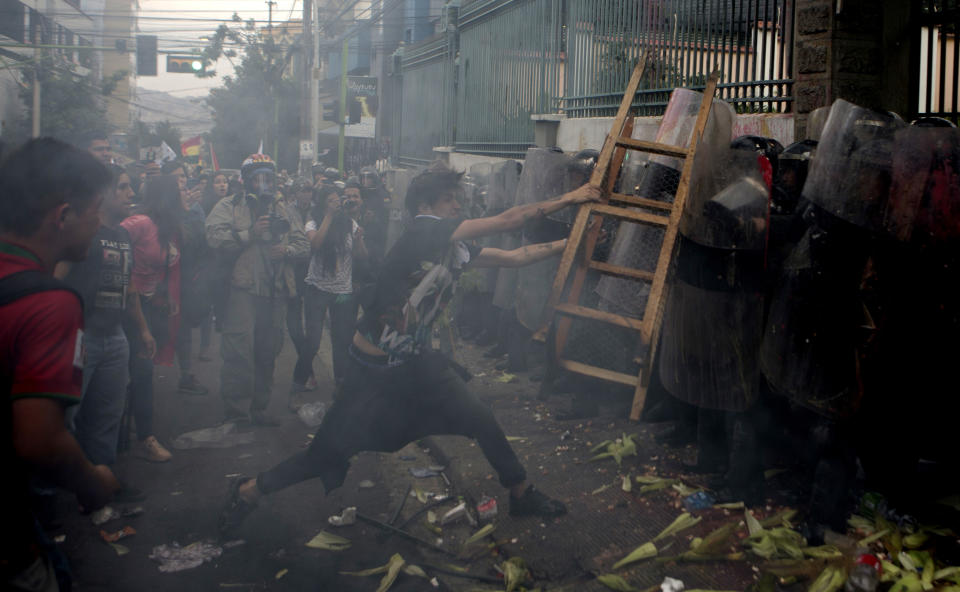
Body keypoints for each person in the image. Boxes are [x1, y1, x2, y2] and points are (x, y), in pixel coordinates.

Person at [219, 162, 601, 532]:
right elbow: (509, 220)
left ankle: (520, 492)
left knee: (480, 417)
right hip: (371, 374)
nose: (457, 206)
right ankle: (249, 489)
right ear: (425, 206)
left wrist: (569, 243)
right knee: (326, 455)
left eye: (458, 199)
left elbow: (516, 257)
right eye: (449, 200)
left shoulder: (451, 246)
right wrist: (574, 197)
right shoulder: (422, 231)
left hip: (416, 364)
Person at [1, 138, 120, 590]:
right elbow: (39, 438)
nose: (101, 223)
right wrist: (92, 482)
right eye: (96, 210)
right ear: (64, 215)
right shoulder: (50, 304)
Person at [57, 165, 154, 501]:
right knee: (63, 421)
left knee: (107, 419)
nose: (131, 194)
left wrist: (142, 329)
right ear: (104, 194)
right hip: (79, 340)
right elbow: (56, 276)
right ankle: (47, 500)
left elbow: (129, 289)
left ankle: (101, 485)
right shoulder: (85, 230)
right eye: (124, 188)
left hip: (115, 339)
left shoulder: (125, 235)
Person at [205, 154, 309, 425]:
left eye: (268, 178)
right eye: (257, 178)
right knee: (238, 352)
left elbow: (304, 243)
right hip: (243, 290)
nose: (263, 183)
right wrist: (250, 233)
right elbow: (214, 238)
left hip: (275, 292)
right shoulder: (230, 205)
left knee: (268, 350)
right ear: (246, 181)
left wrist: (287, 250)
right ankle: (237, 412)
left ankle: (259, 408)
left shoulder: (284, 208)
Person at [120, 175, 183, 463]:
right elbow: (112, 248)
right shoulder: (139, 223)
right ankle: (144, 437)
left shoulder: (165, 227)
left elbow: (164, 265)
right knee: (141, 373)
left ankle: (126, 435)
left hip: (148, 303)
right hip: (126, 307)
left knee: (139, 373)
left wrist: (166, 294)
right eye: (178, 191)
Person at [292, 185, 366, 396]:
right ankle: (299, 382)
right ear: (324, 203)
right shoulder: (313, 221)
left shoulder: (349, 223)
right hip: (317, 289)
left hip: (343, 291)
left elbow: (361, 256)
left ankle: (340, 385)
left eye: (338, 200)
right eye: (332, 200)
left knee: (342, 339)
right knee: (313, 340)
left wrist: (359, 238)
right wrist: (328, 216)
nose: (337, 203)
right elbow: (315, 244)